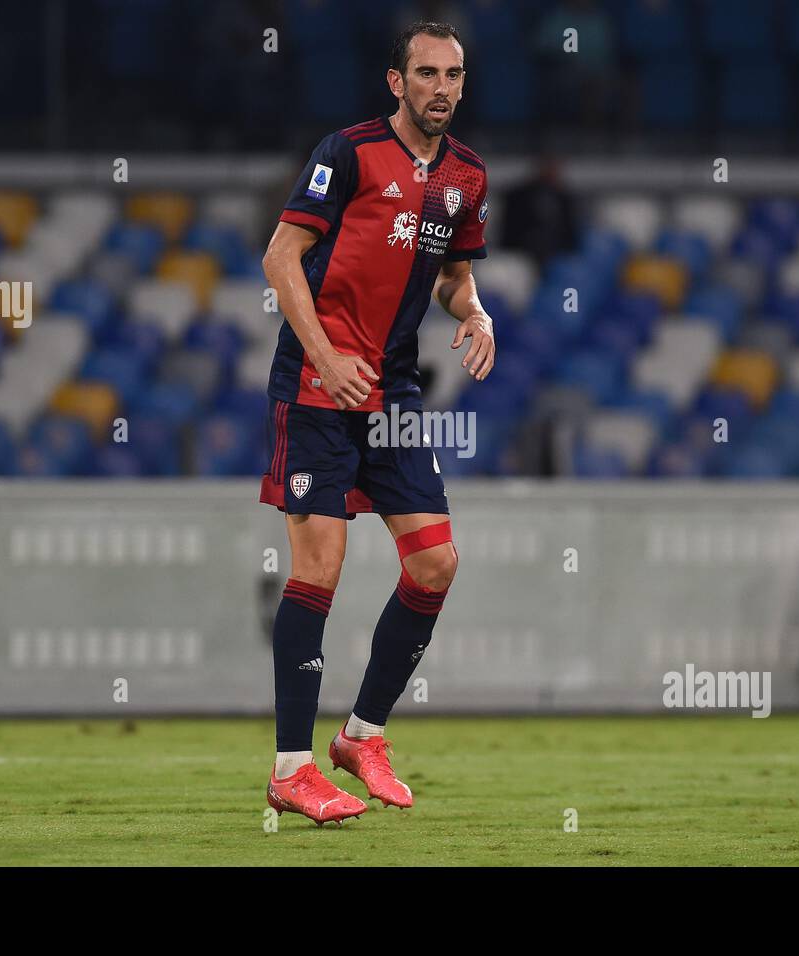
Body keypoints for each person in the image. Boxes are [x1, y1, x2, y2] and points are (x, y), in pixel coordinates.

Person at [258, 20, 494, 825]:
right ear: (396, 82)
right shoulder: (348, 153)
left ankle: (362, 736)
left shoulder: (465, 177)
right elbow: (280, 260)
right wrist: (324, 358)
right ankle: (292, 768)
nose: (441, 87)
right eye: (425, 72)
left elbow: (452, 278)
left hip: (392, 395)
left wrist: (477, 312)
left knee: (436, 565)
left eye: (453, 74)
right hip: (319, 387)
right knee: (319, 565)